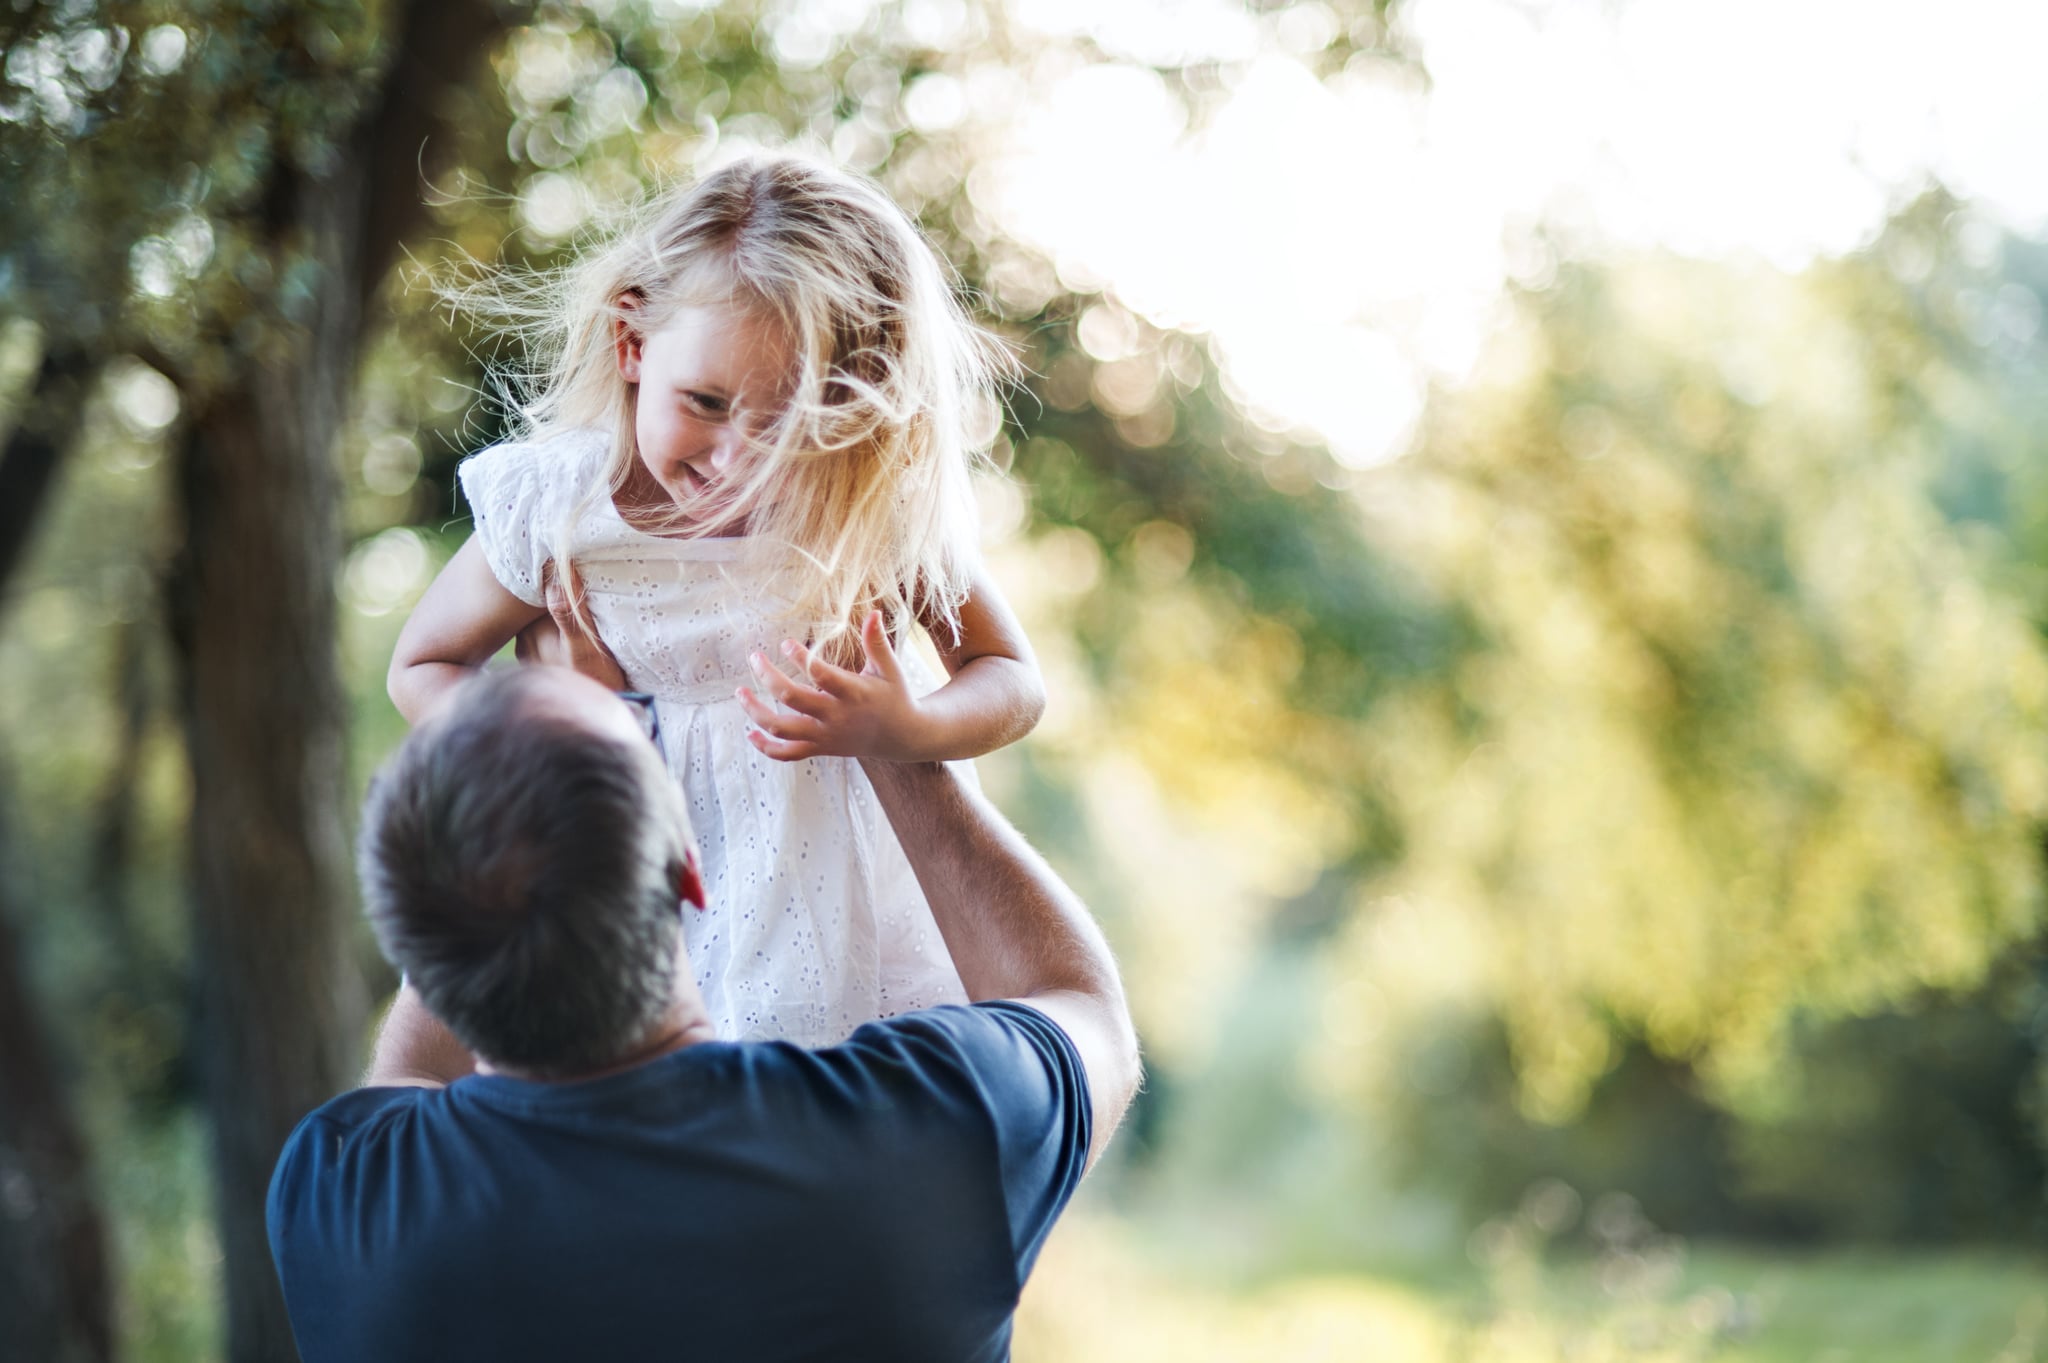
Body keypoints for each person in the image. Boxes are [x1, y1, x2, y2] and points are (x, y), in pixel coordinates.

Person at [267, 662, 1140, 1363]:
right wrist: (889, 735)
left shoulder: (336, 1196)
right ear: (690, 872)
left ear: (410, 939)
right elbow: (1080, 1005)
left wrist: (479, 828)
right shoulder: (922, 1127)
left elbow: (408, 1072)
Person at [388, 154, 1043, 1047]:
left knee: (823, 1124)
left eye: (792, 427)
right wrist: (551, 738)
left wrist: (910, 727)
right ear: (632, 346)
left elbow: (1008, 673)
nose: (738, 463)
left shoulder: (860, 510)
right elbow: (424, 664)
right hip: (638, 868)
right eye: (705, 401)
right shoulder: (559, 508)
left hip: (838, 896)